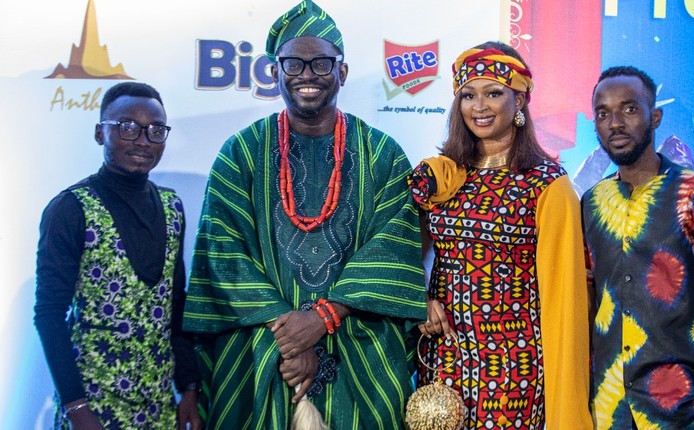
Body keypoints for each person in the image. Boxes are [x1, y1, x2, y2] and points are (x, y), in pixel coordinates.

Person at [181, 1, 427, 429]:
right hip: (262, 351)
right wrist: (290, 336)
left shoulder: (383, 155)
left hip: (359, 353)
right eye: (293, 63)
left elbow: (393, 245)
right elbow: (223, 254)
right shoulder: (240, 154)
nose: (307, 75)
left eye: (321, 63)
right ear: (274, 72)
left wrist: (321, 319)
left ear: (342, 72)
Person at [410, 41, 592, 429]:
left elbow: (565, 303)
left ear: (521, 99)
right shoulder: (445, 177)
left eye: (494, 92)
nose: (480, 107)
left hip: (513, 374)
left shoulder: (547, 185)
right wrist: (417, 297)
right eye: (468, 95)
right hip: (443, 368)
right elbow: (405, 255)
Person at [582, 66, 694, 429]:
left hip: (682, 409)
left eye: (629, 109)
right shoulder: (591, 203)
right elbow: (589, 299)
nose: (614, 123)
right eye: (603, 112)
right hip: (608, 409)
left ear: (655, 117)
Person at [33, 82, 202, 429]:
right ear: (100, 133)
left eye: (156, 130)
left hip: (159, 404)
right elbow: (49, 314)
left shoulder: (172, 207)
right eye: (128, 127)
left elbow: (175, 305)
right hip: (94, 402)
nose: (143, 139)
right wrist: (76, 408)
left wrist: (188, 388)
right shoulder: (70, 208)